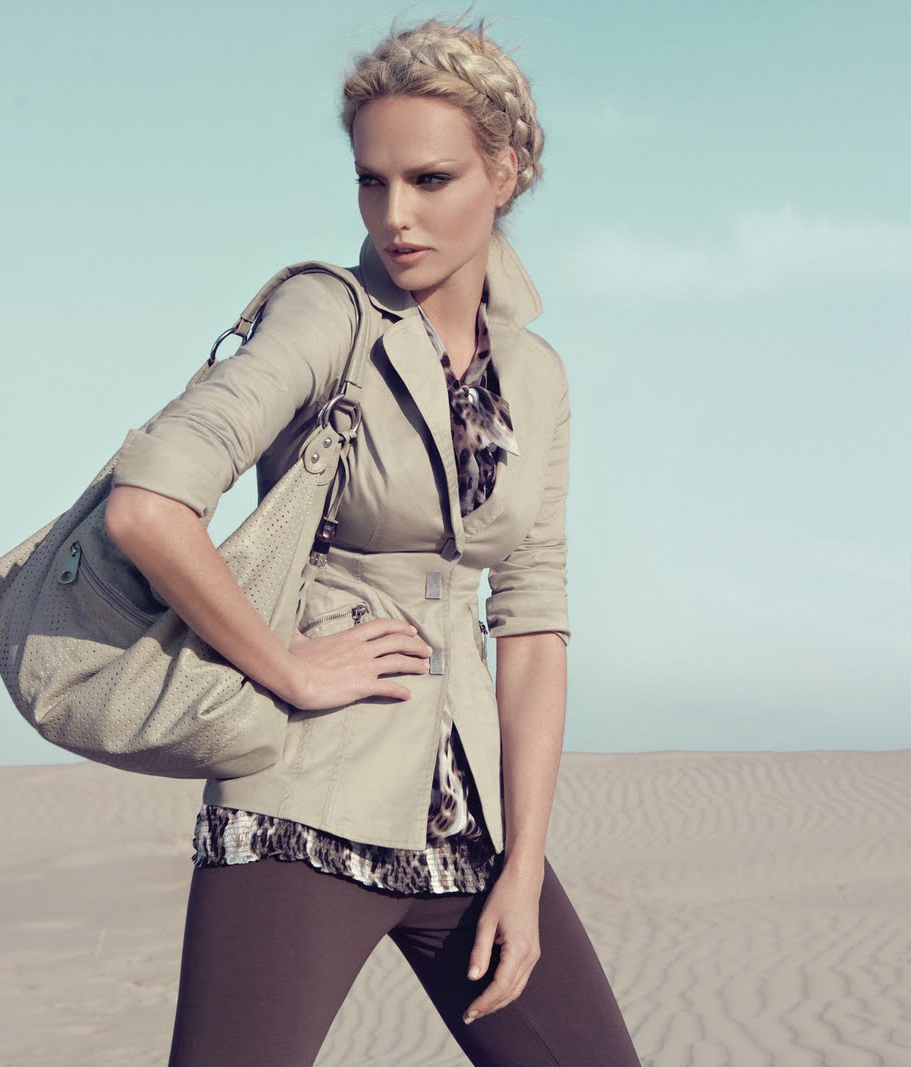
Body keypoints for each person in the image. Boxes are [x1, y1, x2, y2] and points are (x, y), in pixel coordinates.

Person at [103, 16, 641, 1066]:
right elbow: (147, 505)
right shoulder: (325, 314)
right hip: (304, 801)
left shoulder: (536, 375)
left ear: (506, 171)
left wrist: (523, 862)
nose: (396, 215)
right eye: (372, 181)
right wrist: (288, 668)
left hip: (467, 822)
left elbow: (533, 616)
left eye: (430, 179)